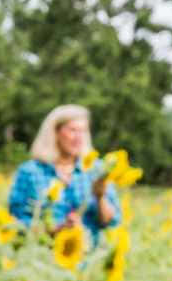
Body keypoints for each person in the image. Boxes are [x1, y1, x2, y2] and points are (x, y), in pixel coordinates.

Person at [7, 104, 120, 244]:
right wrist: (54, 230)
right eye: (73, 130)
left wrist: (100, 196)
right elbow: (17, 219)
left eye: (83, 131)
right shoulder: (30, 171)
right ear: (55, 132)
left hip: (88, 257)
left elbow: (112, 221)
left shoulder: (96, 169)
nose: (79, 137)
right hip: (42, 256)